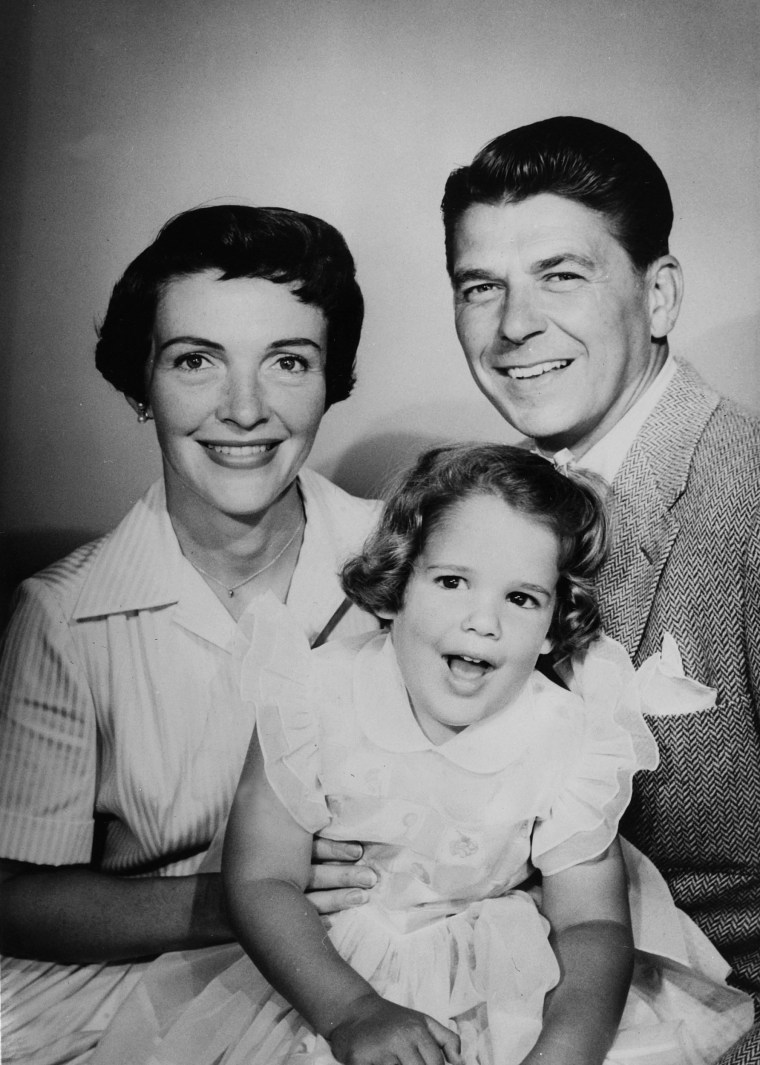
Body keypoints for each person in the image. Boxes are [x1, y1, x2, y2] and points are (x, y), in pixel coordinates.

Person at [92, 445, 751, 1065]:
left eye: (520, 598)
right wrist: (351, 1011)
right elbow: (261, 881)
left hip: (504, 979)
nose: (483, 620)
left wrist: (562, 1052)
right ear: (397, 581)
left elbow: (590, 923)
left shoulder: (566, 734)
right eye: (453, 581)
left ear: (553, 626)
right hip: (327, 974)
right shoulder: (312, 696)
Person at [0, 204, 381, 1065]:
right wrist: (251, 898)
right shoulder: (63, 615)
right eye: (196, 360)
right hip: (153, 979)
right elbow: (13, 896)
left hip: (392, 959)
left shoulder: (412, 563)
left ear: (332, 380)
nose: (242, 409)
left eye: (288, 361)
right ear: (143, 382)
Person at [441, 117, 760, 1059]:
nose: (512, 326)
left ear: (658, 295)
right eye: (480, 287)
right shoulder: (497, 505)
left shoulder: (747, 503)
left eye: (561, 275)